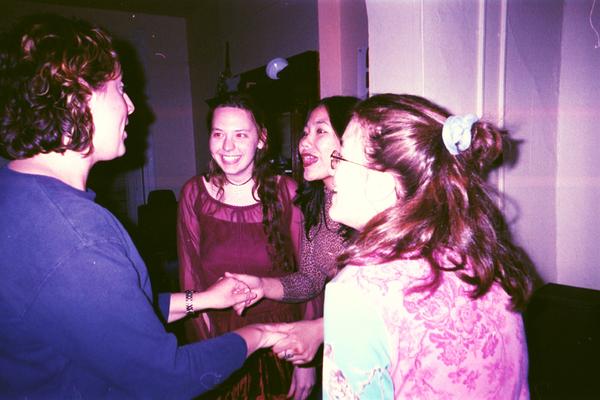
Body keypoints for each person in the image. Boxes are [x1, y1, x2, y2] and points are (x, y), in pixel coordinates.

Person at [0, 14, 285, 399]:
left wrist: (204, 300)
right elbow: (168, 377)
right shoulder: (79, 238)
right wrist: (261, 335)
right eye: (120, 88)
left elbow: (109, 316)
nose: (131, 106)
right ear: (77, 96)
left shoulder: (15, 188)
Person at [322, 93, 533, 399]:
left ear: (381, 186)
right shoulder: (484, 261)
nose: (333, 171)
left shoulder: (355, 291)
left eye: (341, 157)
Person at [177, 92, 312, 399]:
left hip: (279, 344)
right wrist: (205, 355)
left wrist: (305, 360)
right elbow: (190, 279)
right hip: (220, 343)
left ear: (261, 139)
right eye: (218, 134)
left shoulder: (287, 193)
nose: (227, 147)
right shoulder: (193, 195)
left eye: (240, 135)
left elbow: (308, 280)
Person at [225, 96, 359, 398]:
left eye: (320, 131)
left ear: (352, 139)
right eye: (305, 132)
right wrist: (262, 286)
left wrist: (321, 329)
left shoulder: (370, 204)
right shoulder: (316, 203)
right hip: (343, 349)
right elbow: (309, 280)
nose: (303, 143)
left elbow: (387, 301)